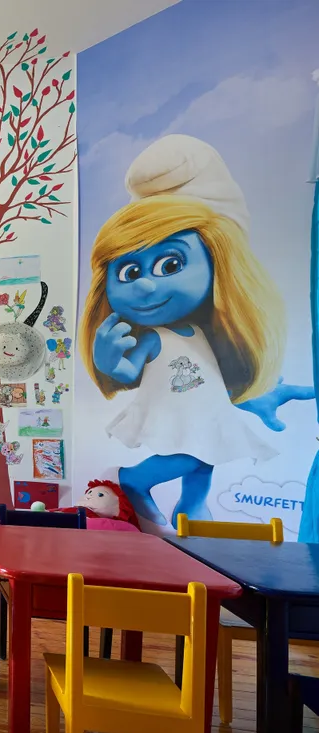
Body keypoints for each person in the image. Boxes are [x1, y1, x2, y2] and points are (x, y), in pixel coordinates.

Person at [82, 135, 312, 525]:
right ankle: (132, 479)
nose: (145, 285)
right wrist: (107, 360)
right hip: (175, 415)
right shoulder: (155, 338)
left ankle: (192, 510)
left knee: (205, 463)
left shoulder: (202, 332)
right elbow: (129, 371)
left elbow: (208, 379)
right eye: (130, 272)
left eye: (170, 265)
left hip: (204, 413)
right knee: (194, 456)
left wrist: (252, 395)